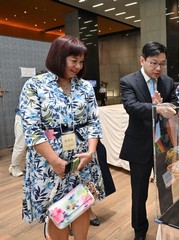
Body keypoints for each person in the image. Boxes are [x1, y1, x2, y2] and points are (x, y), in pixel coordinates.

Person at [18, 35, 105, 240]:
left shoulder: (84, 87)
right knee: (58, 210)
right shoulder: (35, 86)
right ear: (58, 57)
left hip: (82, 160)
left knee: (81, 205)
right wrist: (55, 161)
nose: (78, 66)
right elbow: (32, 129)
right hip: (49, 162)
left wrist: (91, 153)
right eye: (73, 60)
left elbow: (94, 122)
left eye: (81, 61)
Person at [119, 41, 177, 240]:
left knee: (166, 187)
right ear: (142, 60)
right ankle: (140, 231)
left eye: (162, 63)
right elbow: (132, 107)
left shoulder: (167, 81)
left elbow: (175, 104)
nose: (158, 68)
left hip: (163, 145)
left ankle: (169, 222)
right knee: (139, 193)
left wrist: (166, 106)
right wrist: (155, 108)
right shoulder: (128, 81)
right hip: (140, 145)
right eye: (154, 63)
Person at [9, 106, 26, 177]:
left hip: (40, 117)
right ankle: (14, 166)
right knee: (21, 143)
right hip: (23, 115)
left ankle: (30, 166)